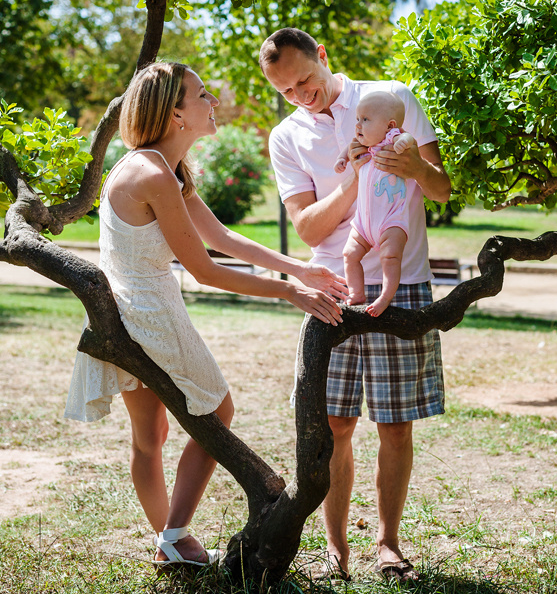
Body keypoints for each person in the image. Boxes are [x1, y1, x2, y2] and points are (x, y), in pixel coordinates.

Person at [64, 61, 348, 569]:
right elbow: (205, 269)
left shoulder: (160, 168)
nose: (212, 100)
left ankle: (171, 541)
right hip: (148, 313)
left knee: (150, 438)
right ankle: (173, 537)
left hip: (130, 311)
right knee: (217, 412)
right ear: (176, 113)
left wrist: (298, 269)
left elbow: (221, 238)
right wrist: (288, 292)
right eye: (202, 95)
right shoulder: (151, 173)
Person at [259, 28, 451, 584]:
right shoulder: (286, 137)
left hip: (404, 283)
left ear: (324, 56)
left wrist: (412, 167)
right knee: (335, 425)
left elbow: (440, 189)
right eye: (287, 90)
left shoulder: (392, 97)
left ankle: (389, 544)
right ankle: (336, 547)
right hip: (333, 292)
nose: (301, 95)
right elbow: (307, 225)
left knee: (395, 425)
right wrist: (355, 176)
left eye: (306, 80)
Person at [335, 91, 419, 317]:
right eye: (357, 119)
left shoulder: (393, 139)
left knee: (390, 257)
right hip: (362, 223)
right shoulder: (362, 144)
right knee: (349, 254)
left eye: (365, 119)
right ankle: (356, 293)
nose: (358, 125)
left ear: (389, 125)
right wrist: (343, 159)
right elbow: (350, 146)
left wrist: (402, 141)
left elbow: (409, 139)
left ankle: (385, 296)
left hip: (391, 221)